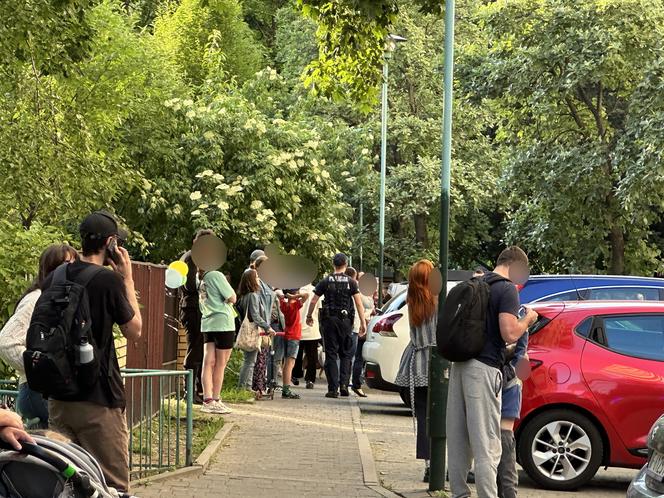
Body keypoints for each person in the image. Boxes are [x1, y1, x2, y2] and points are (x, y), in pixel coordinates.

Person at [43, 211, 142, 493]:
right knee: (112, 486)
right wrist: (127, 278)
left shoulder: (56, 276)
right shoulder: (107, 280)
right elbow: (134, 330)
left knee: (67, 485)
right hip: (98, 400)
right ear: (111, 243)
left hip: (59, 399)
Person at [447, 246, 538, 498]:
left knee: (458, 439)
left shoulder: (478, 282)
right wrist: (528, 320)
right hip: (485, 369)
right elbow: (509, 332)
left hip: (460, 365)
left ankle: (459, 494)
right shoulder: (506, 289)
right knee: (487, 441)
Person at [0, 244, 78, 429]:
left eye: (76, 264)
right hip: (37, 391)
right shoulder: (37, 298)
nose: (73, 269)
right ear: (51, 268)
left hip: (47, 390)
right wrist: (42, 367)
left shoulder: (61, 298)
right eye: (67, 264)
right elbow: (6, 342)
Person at [394, 260, 437, 482]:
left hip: (416, 362)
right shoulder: (438, 301)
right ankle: (440, 463)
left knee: (423, 417)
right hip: (436, 365)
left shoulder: (412, 301)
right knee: (440, 417)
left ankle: (428, 464)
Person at [306, 253, 366, 398]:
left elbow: (314, 300)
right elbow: (358, 303)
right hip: (346, 322)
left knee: (331, 354)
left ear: (333, 264)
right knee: (345, 354)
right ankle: (344, 385)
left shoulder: (326, 281)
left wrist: (309, 316)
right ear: (345, 265)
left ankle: (333, 389)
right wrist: (363, 322)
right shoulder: (351, 282)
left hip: (329, 321)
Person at [179, 229, 214, 405]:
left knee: (199, 349)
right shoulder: (191, 258)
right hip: (192, 309)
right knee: (195, 349)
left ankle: (197, 390)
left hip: (196, 308)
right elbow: (191, 285)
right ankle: (189, 392)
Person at [198, 262, 237, 415]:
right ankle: (216, 398)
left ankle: (207, 400)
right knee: (220, 364)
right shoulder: (216, 275)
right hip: (223, 322)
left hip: (207, 322)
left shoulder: (200, 278)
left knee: (208, 362)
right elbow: (232, 297)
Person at [498, 331, 529, 498]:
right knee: (505, 438)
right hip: (509, 378)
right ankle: (509, 493)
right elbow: (523, 369)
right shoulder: (514, 318)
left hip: (489, 375)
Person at [235, 269, 272, 391]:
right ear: (251, 280)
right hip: (252, 331)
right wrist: (267, 327)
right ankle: (244, 388)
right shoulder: (253, 296)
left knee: (249, 360)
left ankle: (246, 387)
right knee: (250, 361)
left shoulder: (243, 296)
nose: (258, 279)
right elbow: (255, 316)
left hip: (246, 329)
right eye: (256, 277)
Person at [275, 289, 308, 399]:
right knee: (290, 363)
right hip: (294, 336)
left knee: (286, 363)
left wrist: (285, 296)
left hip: (287, 334)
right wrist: (293, 296)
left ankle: (285, 387)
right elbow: (306, 295)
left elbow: (278, 294)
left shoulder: (284, 305)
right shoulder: (295, 306)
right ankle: (286, 389)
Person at [293, 283, 321, 389]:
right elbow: (318, 308)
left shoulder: (297, 291)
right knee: (312, 355)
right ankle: (310, 379)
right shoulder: (316, 291)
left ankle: (295, 375)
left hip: (298, 326)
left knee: (297, 354)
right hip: (312, 327)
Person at [352, 271, 374, 397]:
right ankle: (356, 384)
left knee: (357, 357)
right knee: (358, 357)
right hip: (361, 327)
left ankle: (354, 383)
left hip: (361, 327)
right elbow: (365, 310)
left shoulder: (362, 293)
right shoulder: (361, 294)